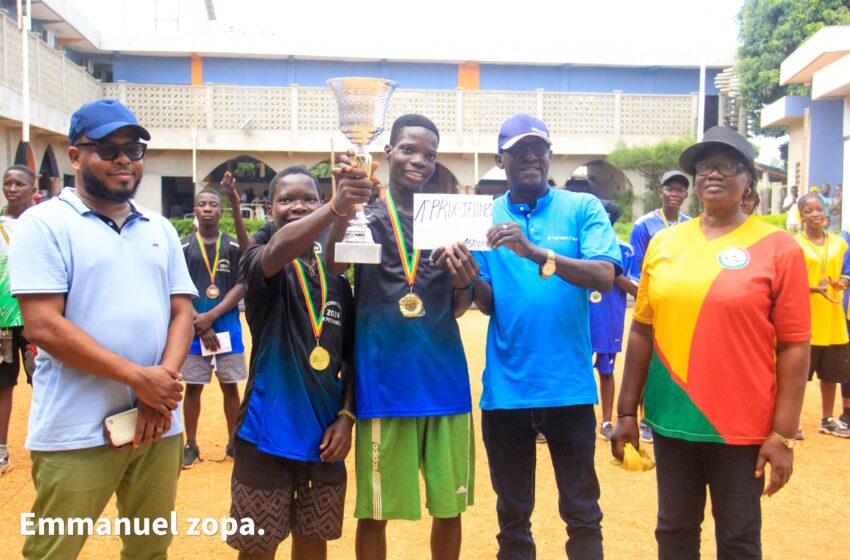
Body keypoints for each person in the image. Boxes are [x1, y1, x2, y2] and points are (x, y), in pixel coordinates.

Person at [612, 125, 810, 560]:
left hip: (743, 427)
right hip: (672, 419)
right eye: (704, 167)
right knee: (675, 533)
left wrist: (783, 433)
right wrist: (627, 411)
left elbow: (795, 346)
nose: (713, 175)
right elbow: (643, 329)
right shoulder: (664, 243)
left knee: (738, 539)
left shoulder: (779, 248)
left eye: (727, 166)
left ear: (748, 181)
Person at [10, 99, 197, 558]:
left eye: (132, 149)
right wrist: (141, 380)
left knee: (150, 549)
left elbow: (182, 313)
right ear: (76, 156)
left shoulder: (160, 228)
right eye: (107, 149)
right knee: (54, 550)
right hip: (76, 429)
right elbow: (43, 326)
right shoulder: (44, 224)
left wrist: (163, 388)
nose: (123, 160)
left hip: (158, 427)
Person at [468, 113, 621, 559]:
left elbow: (604, 276)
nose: (530, 157)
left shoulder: (582, 208)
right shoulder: (483, 215)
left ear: (550, 155)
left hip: (568, 388)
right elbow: (488, 302)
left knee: (582, 511)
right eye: (518, 150)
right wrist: (463, 276)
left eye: (538, 149)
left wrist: (536, 252)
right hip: (507, 392)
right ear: (501, 160)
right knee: (513, 518)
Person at [327, 114, 475, 560]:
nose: (420, 161)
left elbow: (458, 306)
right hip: (383, 381)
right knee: (374, 511)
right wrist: (341, 207)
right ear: (388, 152)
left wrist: (464, 281)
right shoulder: (366, 216)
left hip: (443, 380)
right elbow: (334, 266)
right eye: (409, 149)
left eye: (430, 154)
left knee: (448, 508)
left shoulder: (448, 220)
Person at [226, 165, 372, 559]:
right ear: (270, 210)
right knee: (257, 547)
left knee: (313, 544)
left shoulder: (338, 280)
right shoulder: (259, 263)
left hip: (323, 437)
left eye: (308, 197)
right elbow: (275, 252)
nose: (297, 206)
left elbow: (352, 354)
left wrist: (346, 416)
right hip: (264, 433)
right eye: (285, 199)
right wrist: (332, 208)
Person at [180, 171, 250, 468]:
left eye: (213, 204)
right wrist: (199, 320)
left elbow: (241, 284)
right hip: (192, 327)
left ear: (221, 212)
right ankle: (191, 444)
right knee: (192, 386)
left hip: (225, 326)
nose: (207, 208)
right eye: (202, 204)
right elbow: (177, 286)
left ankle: (234, 442)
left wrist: (211, 316)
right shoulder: (183, 247)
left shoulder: (233, 246)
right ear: (194, 210)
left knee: (229, 385)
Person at [629, 169, 691, 443]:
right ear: (660, 192)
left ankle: (676, 414)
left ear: (686, 195)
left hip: (684, 307)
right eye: (669, 189)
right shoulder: (644, 225)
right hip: (655, 303)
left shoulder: (692, 225)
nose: (674, 194)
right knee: (649, 360)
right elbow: (638, 267)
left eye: (680, 190)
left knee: (679, 360)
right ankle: (646, 418)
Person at [795, 193, 850, 438]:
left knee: (831, 374)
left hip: (832, 318)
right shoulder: (793, 244)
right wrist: (811, 289)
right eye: (808, 210)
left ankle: (827, 419)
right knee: (797, 375)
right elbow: (787, 282)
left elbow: (846, 271)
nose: (815, 214)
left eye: (819, 209)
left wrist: (842, 282)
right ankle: (792, 422)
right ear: (801, 215)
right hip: (804, 318)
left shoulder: (840, 243)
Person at [0, 164, 37, 474]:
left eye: (19, 184)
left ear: (32, 187)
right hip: (4, 320)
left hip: (40, 318)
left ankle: (48, 441)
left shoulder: (43, 223)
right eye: (7, 183)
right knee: (3, 384)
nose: (12, 189)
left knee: (45, 380)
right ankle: (1, 449)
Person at [590, 202, 638, 441]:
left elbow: (637, 289)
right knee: (576, 368)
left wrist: (615, 272)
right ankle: (576, 419)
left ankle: (606, 421)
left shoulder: (625, 249)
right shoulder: (578, 244)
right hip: (577, 319)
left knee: (606, 370)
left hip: (608, 320)